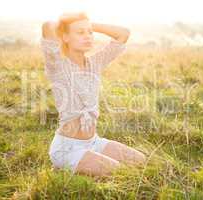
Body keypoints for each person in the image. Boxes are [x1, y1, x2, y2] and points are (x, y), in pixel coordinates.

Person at [41, 12, 146, 177]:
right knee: (122, 172)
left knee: (140, 161)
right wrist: (65, 25)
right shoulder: (57, 65)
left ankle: (81, 166)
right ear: (65, 37)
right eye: (80, 33)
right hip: (67, 148)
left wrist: (89, 25)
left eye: (90, 32)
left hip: (94, 142)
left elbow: (123, 34)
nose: (88, 36)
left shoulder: (96, 62)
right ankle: (66, 167)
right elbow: (48, 26)